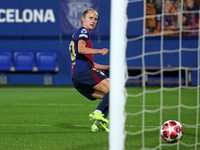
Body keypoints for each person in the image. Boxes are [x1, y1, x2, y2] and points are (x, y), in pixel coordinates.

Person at [69, 8, 110, 132]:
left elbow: (90, 64)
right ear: (83, 18)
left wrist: (108, 68)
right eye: (90, 18)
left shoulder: (78, 33)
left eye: (95, 19)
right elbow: (81, 49)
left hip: (77, 78)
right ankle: (98, 112)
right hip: (84, 73)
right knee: (116, 90)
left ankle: (97, 124)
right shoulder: (83, 31)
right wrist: (99, 50)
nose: (93, 21)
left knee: (112, 98)